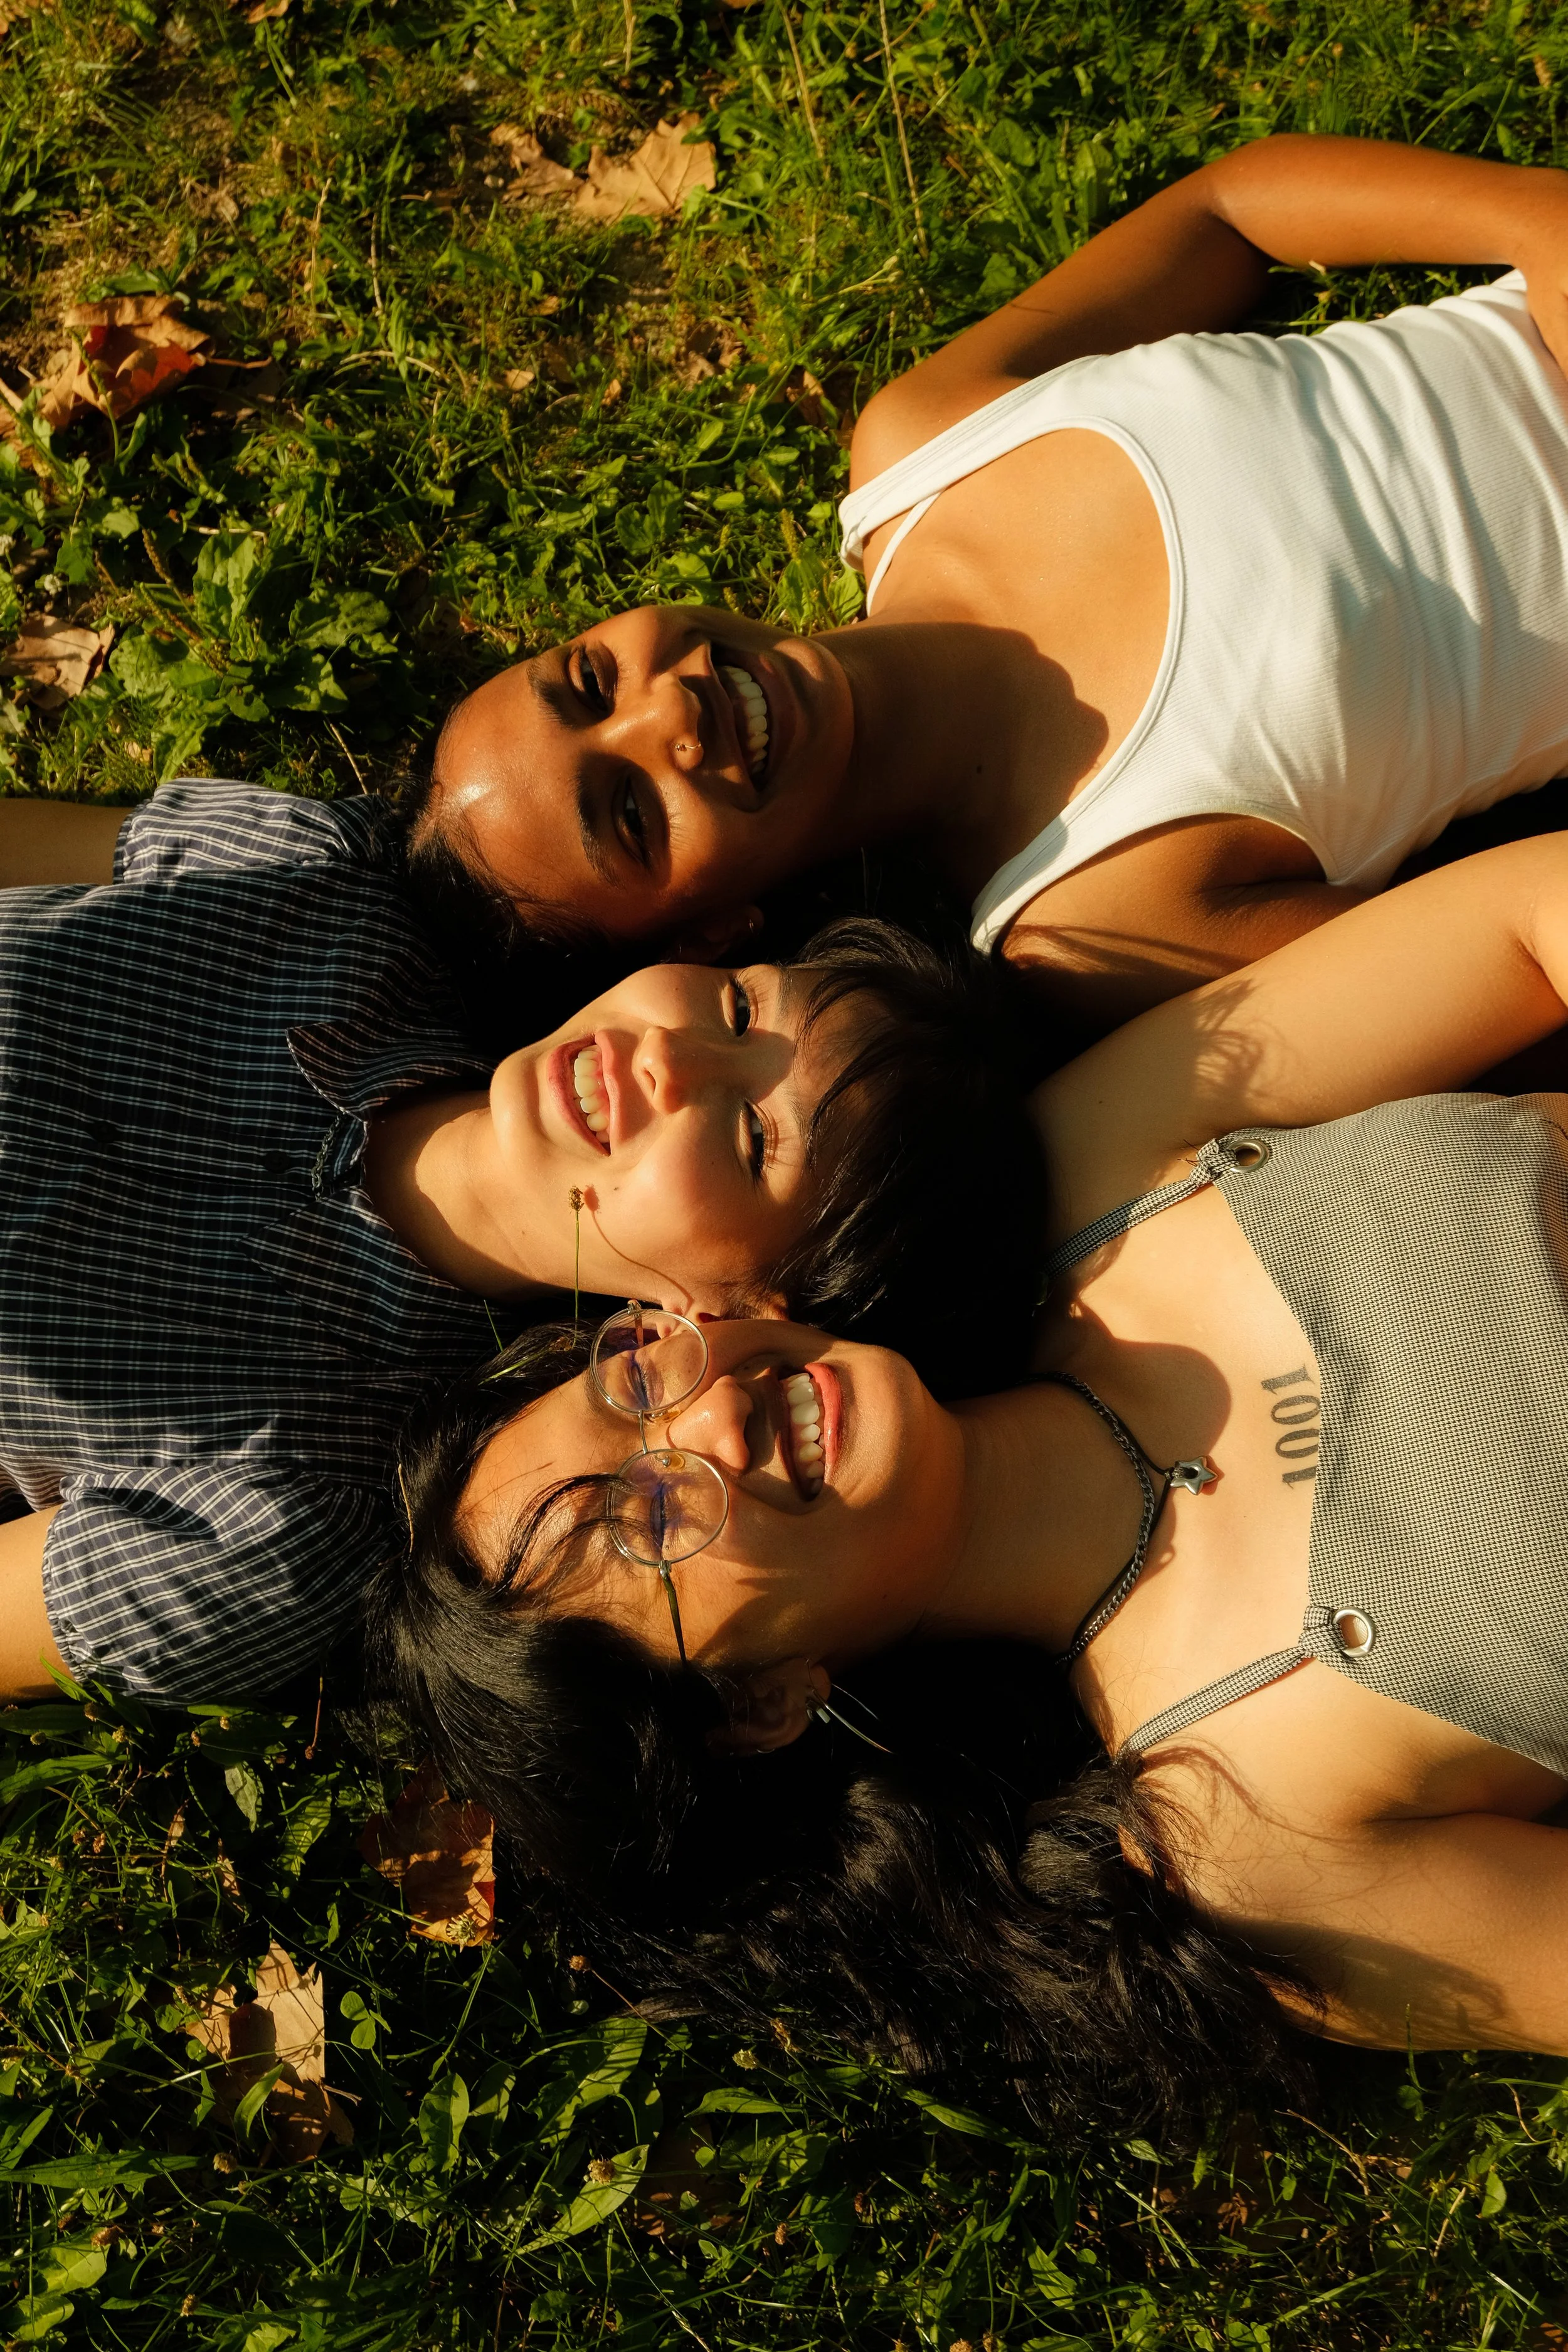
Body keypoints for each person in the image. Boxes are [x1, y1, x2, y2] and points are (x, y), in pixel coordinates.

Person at [375, 829, 1568, 2129]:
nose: (710, 1412)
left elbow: (1523, 920)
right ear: (759, 1703)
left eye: (631, 1384)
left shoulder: (1099, 1162)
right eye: (651, 1515)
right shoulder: (1252, 1847)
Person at [417, 132, 1568, 1031]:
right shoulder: (1093, 918)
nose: (668, 707)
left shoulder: (922, 447)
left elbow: (1225, 213)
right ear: (714, 933)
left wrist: (1535, 214)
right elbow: (1506, 965)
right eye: (631, 815)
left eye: (590, 681)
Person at [0, 781, 1038, 1707]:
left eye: (753, 1136)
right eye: (737, 1007)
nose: (668, 1056)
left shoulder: (296, 1516)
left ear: (737, 1312)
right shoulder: (322, 878)